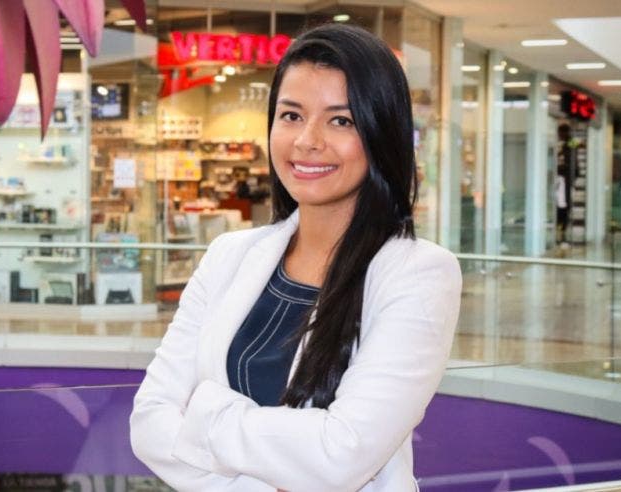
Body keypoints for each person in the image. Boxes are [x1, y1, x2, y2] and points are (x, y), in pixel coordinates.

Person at [130, 24, 462, 491]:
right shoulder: (230, 256)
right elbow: (149, 421)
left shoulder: (418, 274)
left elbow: (341, 455)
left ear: (380, 133)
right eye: (291, 115)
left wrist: (204, 418)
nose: (307, 140)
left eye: (340, 120)